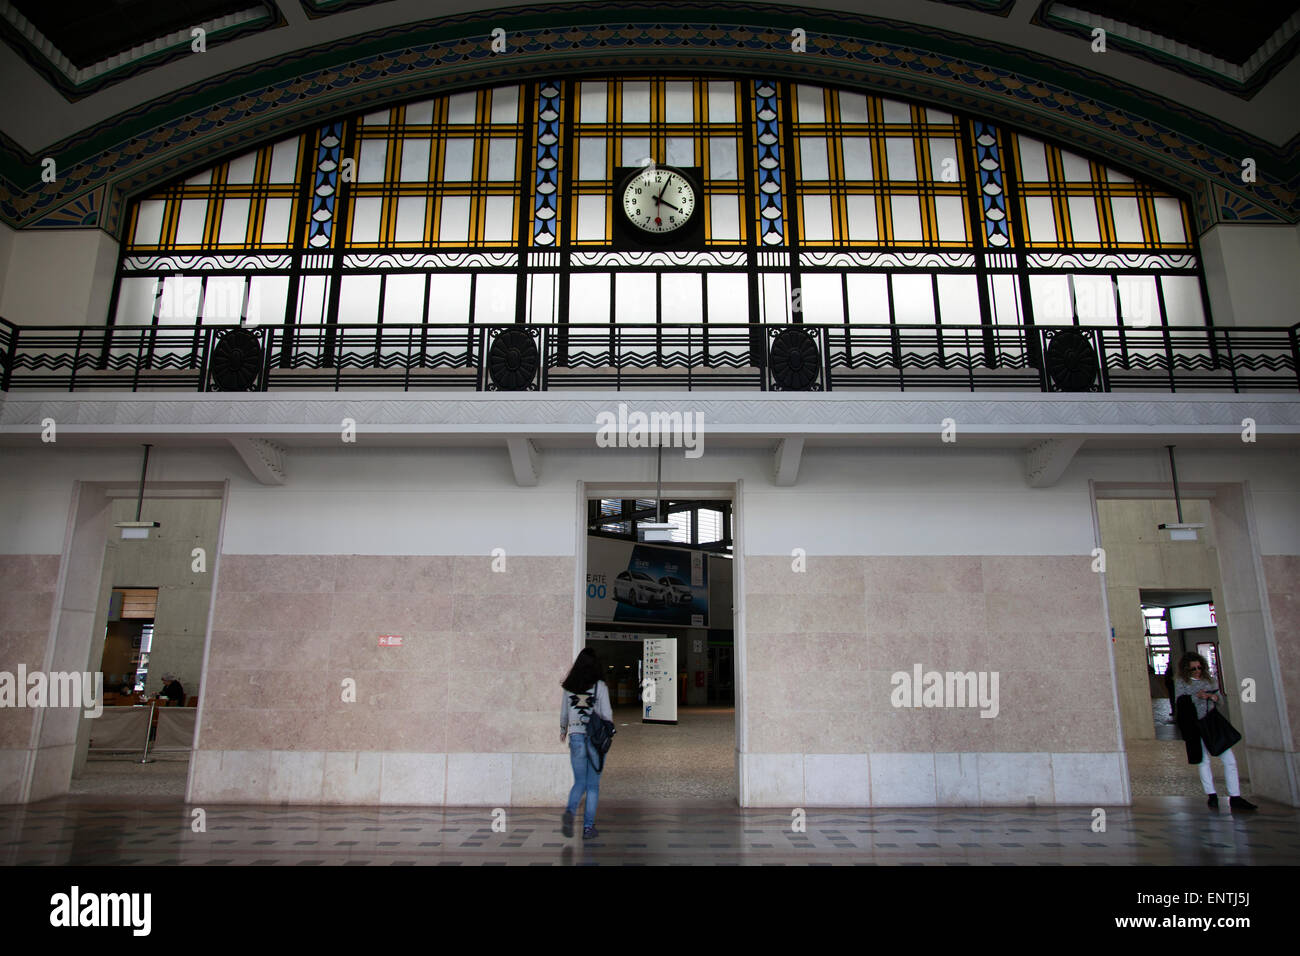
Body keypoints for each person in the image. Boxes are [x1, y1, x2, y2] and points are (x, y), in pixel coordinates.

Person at [1172, 652, 1256, 811]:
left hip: (1212, 724)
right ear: (1186, 670)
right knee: (1204, 761)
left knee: (1229, 760)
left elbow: (1220, 701)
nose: (1197, 670)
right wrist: (1197, 696)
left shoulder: (1210, 680)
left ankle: (1235, 796)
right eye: (1193, 669)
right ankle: (1211, 794)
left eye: (1199, 667)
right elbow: (1180, 703)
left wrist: (1215, 698)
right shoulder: (1181, 682)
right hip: (1196, 726)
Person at [560, 648, 613, 840]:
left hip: (576, 737)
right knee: (592, 786)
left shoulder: (569, 687)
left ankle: (570, 813)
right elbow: (607, 715)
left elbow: (564, 714)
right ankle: (588, 828)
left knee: (579, 782)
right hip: (594, 740)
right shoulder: (600, 687)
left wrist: (563, 730)